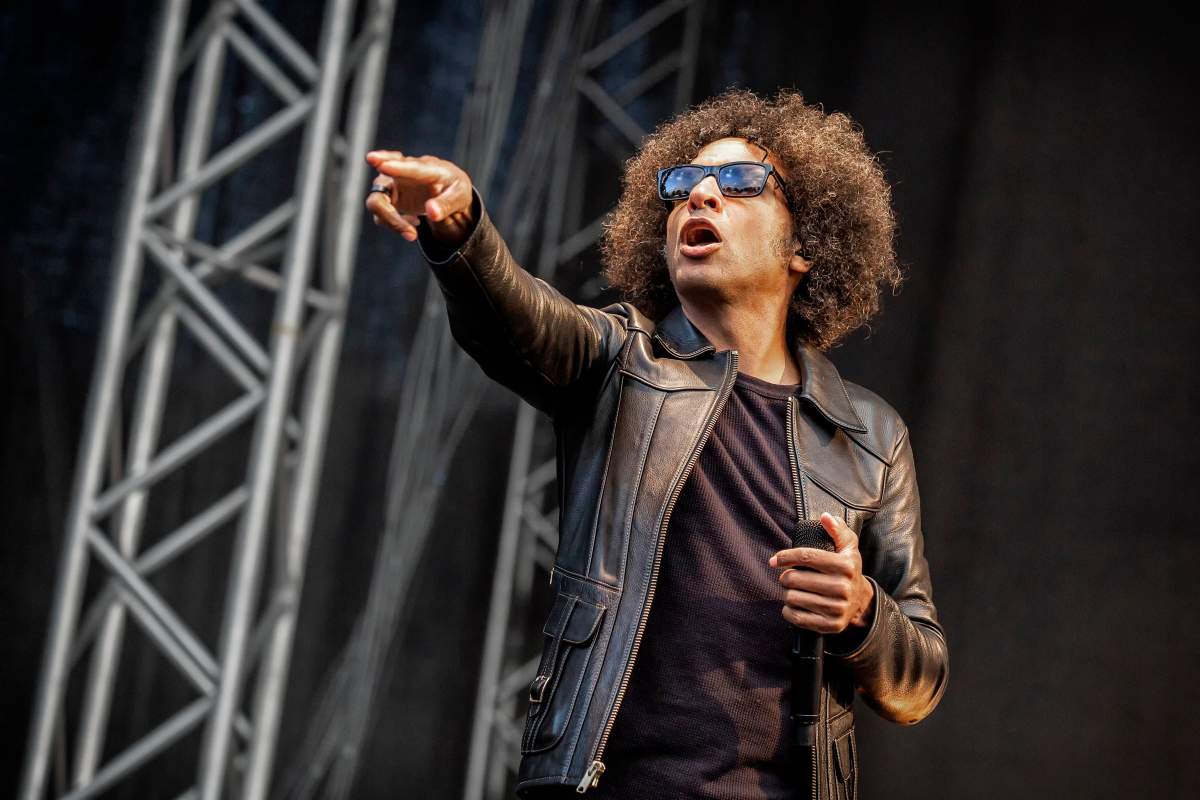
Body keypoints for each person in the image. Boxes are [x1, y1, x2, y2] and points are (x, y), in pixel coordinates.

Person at [365, 88, 948, 799]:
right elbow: (518, 318)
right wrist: (458, 229)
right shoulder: (620, 363)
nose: (699, 195)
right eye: (681, 185)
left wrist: (861, 613)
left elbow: (920, 680)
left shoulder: (872, 436)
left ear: (805, 244)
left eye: (738, 182)